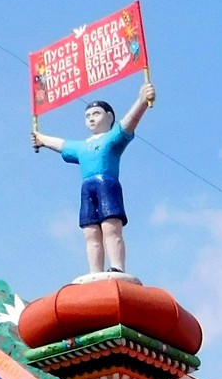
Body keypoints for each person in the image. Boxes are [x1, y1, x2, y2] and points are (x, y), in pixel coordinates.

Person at [31, 82, 155, 275]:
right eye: (87, 116)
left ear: (109, 117)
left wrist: (141, 101)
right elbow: (63, 145)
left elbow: (128, 123)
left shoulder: (111, 139)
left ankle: (117, 266)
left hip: (107, 184)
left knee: (110, 226)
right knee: (90, 231)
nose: (91, 119)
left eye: (96, 114)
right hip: (87, 188)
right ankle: (95, 271)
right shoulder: (82, 147)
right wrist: (42, 139)